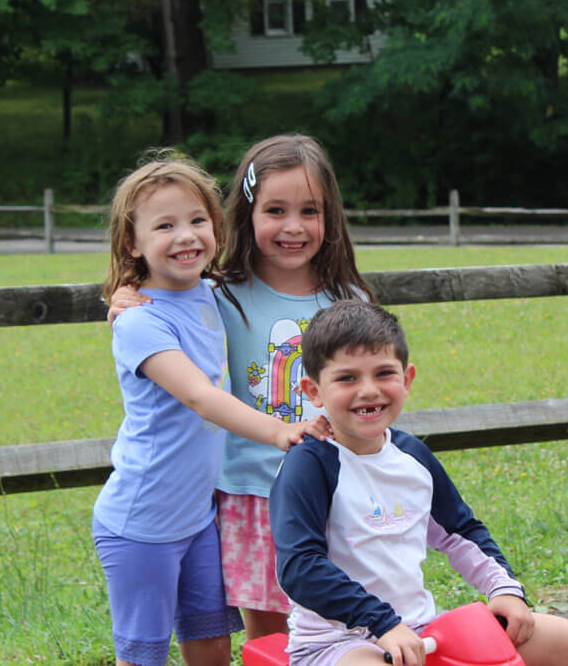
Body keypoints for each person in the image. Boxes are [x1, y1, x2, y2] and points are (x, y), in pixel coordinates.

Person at [108, 134, 374, 641]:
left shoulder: (350, 300)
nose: (293, 227)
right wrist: (123, 296)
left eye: (310, 211)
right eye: (275, 210)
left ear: (330, 216)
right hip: (253, 495)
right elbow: (161, 306)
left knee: (347, 624)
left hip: (339, 494)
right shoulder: (218, 295)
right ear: (247, 214)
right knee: (269, 639)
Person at [269, 300, 568, 666]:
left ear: (406, 379)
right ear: (313, 391)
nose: (369, 390)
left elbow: (461, 531)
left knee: (562, 639)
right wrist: (382, 623)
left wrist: (504, 589)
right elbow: (300, 567)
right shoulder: (309, 465)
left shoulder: (412, 455)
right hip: (339, 643)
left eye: (384, 373)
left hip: (420, 629)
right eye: (347, 378)